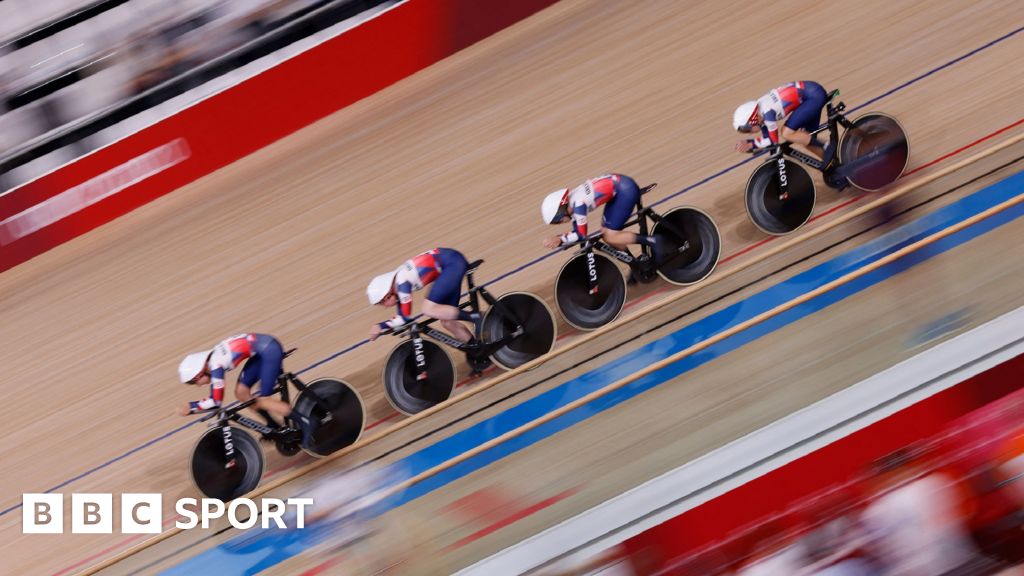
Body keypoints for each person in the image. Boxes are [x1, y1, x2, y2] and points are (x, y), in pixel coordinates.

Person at [177, 332, 316, 446]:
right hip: (261, 352)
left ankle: (306, 422)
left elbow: (216, 401)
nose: (199, 385)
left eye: (195, 382)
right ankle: (273, 425)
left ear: (200, 373)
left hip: (270, 350)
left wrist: (192, 406)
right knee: (241, 392)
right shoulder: (213, 361)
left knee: (264, 401)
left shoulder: (216, 365)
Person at [366, 247, 482, 345]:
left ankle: (475, 317)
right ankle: (478, 350)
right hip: (450, 264)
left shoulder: (402, 282)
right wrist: (385, 326)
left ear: (387, 295)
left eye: (382, 303)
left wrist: (380, 326)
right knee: (448, 322)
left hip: (452, 264)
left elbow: (404, 318)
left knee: (428, 309)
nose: (385, 307)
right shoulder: (397, 284)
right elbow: (401, 317)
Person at [540, 173, 661, 257]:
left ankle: (655, 241)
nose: (560, 223)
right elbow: (577, 230)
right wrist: (560, 239)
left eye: (557, 220)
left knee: (610, 236)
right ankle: (635, 266)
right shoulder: (572, 201)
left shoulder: (578, 204)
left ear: (561, 211)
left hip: (625, 190)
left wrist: (559, 239)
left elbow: (581, 234)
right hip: (619, 189)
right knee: (606, 233)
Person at [732, 81, 834, 165]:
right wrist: (751, 146)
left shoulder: (767, 113)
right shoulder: (760, 113)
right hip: (811, 94)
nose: (749, 132)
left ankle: (826, 146)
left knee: (786, 133)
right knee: (806, 140)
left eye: (747, 129)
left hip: (813, 97)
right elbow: (767, 139)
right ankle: (834, 164)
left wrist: (751, 144)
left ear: (753, 119)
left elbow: (773, 140)